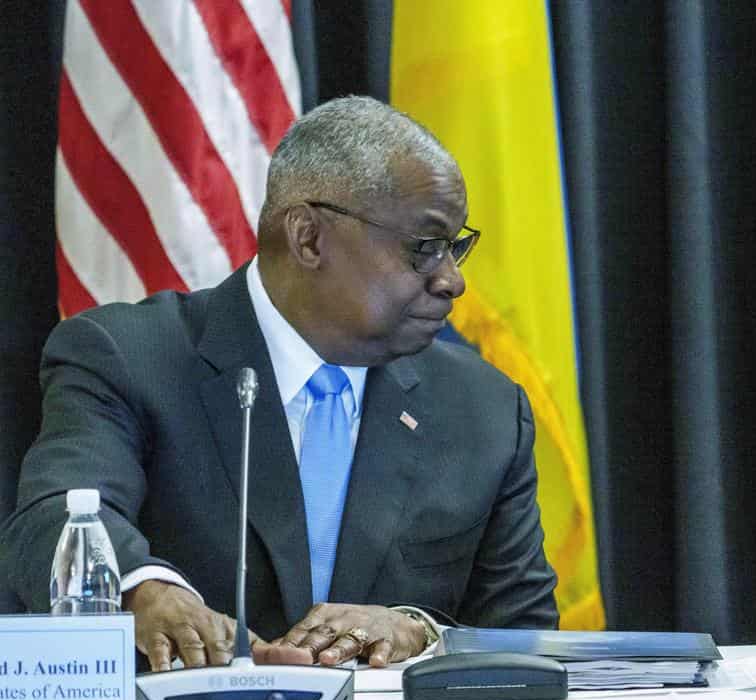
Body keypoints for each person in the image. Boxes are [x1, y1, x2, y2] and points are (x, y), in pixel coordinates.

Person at [0, 96, 558, 670]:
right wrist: (145, 591)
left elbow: (526, 636)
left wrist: (421, 630)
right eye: (425, 248)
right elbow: (55, 518)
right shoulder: (129, 357)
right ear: (310, 238)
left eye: (455, 248)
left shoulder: (484, 408)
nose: (452, 281)